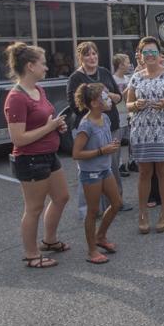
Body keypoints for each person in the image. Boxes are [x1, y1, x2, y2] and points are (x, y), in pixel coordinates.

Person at [2, 42, 72, 268]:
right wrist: (49, 127)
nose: (47, 68)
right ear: (30, 66)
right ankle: (31, 255)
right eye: (43, 64)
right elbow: (19, 138)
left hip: (49, 155)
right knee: (33, 208)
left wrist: (57, 126)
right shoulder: (16, 98)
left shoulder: (38, 90)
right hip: (30, 159)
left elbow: (46, 120)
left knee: (61, 197)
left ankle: (49, 241)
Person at [125, 35, 164, 233]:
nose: (150, 55)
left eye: (153, 52)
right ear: (141, 56)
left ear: (159, 54)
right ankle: (143, 214)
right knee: (144, 173)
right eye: (146, 52)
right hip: (141, 131)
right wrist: (135, 104)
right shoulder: (136, 77)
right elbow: (128, 104)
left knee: (163, 172)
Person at [68, 41, 131, 222]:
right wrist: (96, 101)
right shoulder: (76, 78)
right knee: (89, 170)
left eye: (94, 53)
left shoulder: (104, 72)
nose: (92, 57)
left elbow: (118, 97)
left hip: (111, 125)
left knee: (112, 166)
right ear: (80, 57)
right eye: (87, 54)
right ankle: (89, 209)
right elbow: (75, 106)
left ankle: (116, 201)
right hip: (90, 130)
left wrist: (110, 96)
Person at [71, 82, 123, 264]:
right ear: (94, 103)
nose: (110, 99)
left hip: (105, 169)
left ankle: (100, 236)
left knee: (116, 203)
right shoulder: (86, 125)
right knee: (93, 211)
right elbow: (76, 154)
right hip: (91, 173)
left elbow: (106, 144)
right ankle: (91, 250)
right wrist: (102, 150)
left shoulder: (106, 118)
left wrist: (111, 147)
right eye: (105, 96)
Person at [111, 51, 134, 178]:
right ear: (120, 65)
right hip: (118, 114)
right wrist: (128, 88)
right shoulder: (113, 79)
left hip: (128, 113)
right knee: (117, 141)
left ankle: (132, 161)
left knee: (132, 139)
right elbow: (119, 96)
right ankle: (118, 165)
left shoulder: (127, 79)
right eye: (127, 62)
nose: (129, 64)